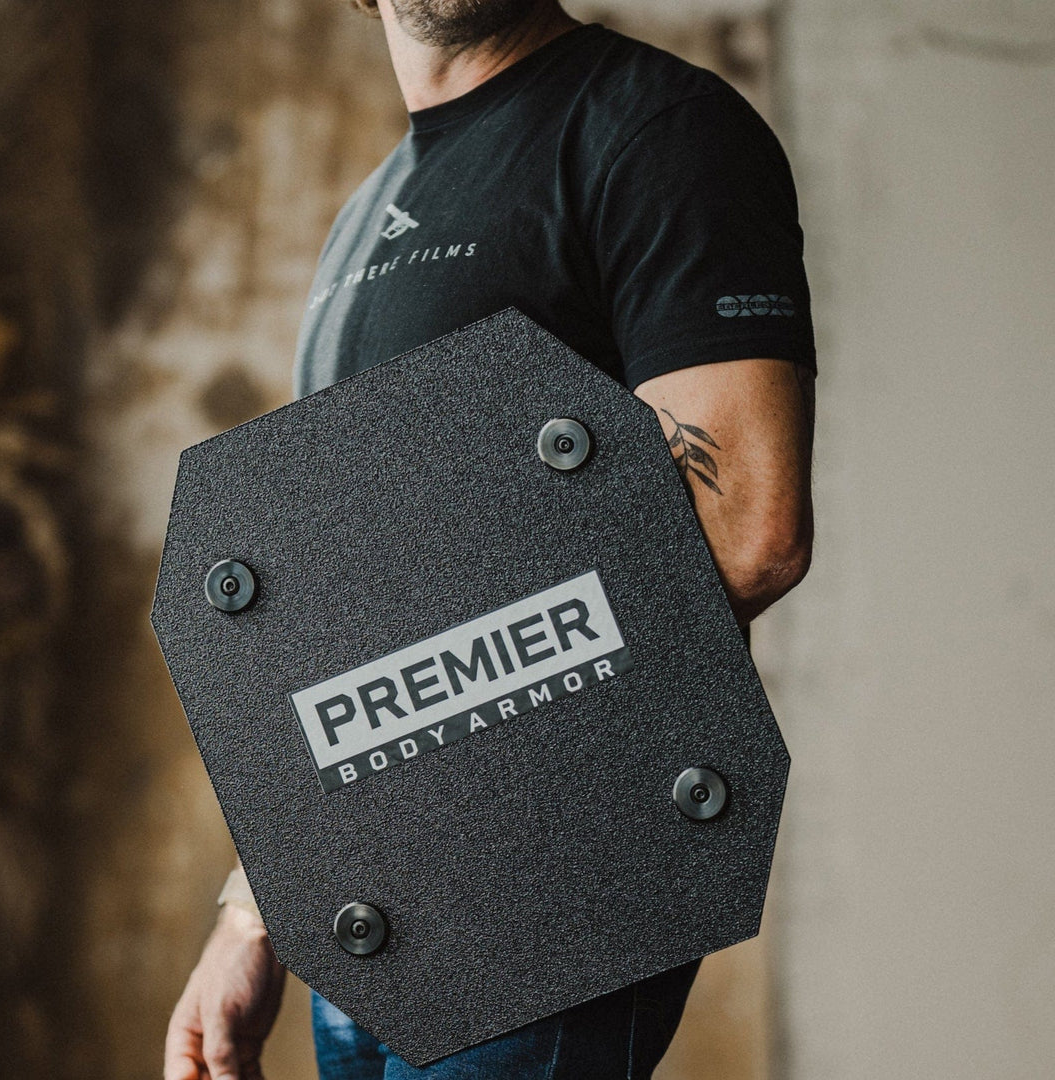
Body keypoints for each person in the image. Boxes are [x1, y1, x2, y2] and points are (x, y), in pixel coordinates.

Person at [164, 1, 816, 1077]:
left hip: (554, 881)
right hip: (377, 911)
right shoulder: (366, 218)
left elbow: (745, 530)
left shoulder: (656, 131)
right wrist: (257, 906)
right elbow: (346, 628)